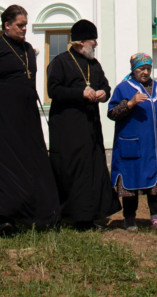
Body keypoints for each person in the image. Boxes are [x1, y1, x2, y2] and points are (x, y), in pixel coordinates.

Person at [0, 4, 60, 236]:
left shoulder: (29, 49)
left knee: (34, 165)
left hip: (26, 118)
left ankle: (39, 215)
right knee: (5, 167)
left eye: (25, 25)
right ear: (7, 25)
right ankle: (3, 218)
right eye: (20, 25)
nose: (24, 29)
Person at [46, 19, 120, 230]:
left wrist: (104, 93)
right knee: (71, 171)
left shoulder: (94, 65)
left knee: (92, 172)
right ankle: (63, 216)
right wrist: (81, 93)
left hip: (90, 128)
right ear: (80, 43)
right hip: (67, 128)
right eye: (92, 40)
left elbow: (105, 85)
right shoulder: (60, 62)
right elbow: (54, 90)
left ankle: (87, 219)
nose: (95, 44)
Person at [107, 52, 157, 233]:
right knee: (131, 181)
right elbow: (112, 113)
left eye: (148, 68)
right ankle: (129, 220)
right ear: (133, 69)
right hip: (133, 145)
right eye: (141, 69)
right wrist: (130, 104)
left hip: (154, 146)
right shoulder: (123, 88)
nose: (145, 72)